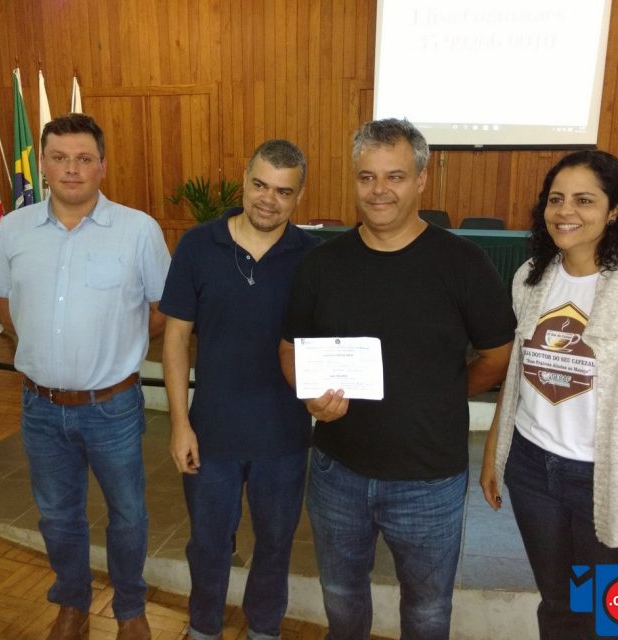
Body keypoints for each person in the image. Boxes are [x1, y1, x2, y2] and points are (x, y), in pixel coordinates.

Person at [279, 118, 516, 640]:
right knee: (341, 601)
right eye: (367, 177)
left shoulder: (463, 263)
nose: (379, 190)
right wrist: (309, 395)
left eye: (395, 176)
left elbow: (499, 356)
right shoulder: (323, 264)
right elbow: (290, 348)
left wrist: (445, 392)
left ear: (421, 179)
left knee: (428, 614)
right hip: (337, 473)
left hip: (428, 481)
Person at [0, 113, 170, 640]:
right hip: (40, 407)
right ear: (42, 164)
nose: (71, 169)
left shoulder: (138, 230)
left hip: (113, 407)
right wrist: (43, 352)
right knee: (58, 516)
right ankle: (72, 604)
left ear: (102, 166)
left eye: (84, 158)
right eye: (60, 158)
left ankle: (130, 609)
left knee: (127, 514)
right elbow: (4, 302)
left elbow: (162, 309)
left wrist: (119, 347)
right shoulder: (13, 229)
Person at [160, 139, 320, 640]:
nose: (268, 199)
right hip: (211, 433)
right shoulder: (197, 245)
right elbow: (176, 338)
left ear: (299, 197)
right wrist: (180, 424)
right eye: (259, 185)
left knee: (275, 545)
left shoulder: (313, 258)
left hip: (284, 436)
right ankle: (204, 628)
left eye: (283, 191)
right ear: (244, 180)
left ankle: (264, 630)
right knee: (207, 545)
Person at [480, 150, 618, 640]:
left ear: (613, 210)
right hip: (533, 468)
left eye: (585, 200)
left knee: (603, 610)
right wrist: (494, 450)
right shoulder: (531, 277)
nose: (566, 211)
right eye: (556, 199)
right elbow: (517, 373)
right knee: (558, 601)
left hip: (601, 477)